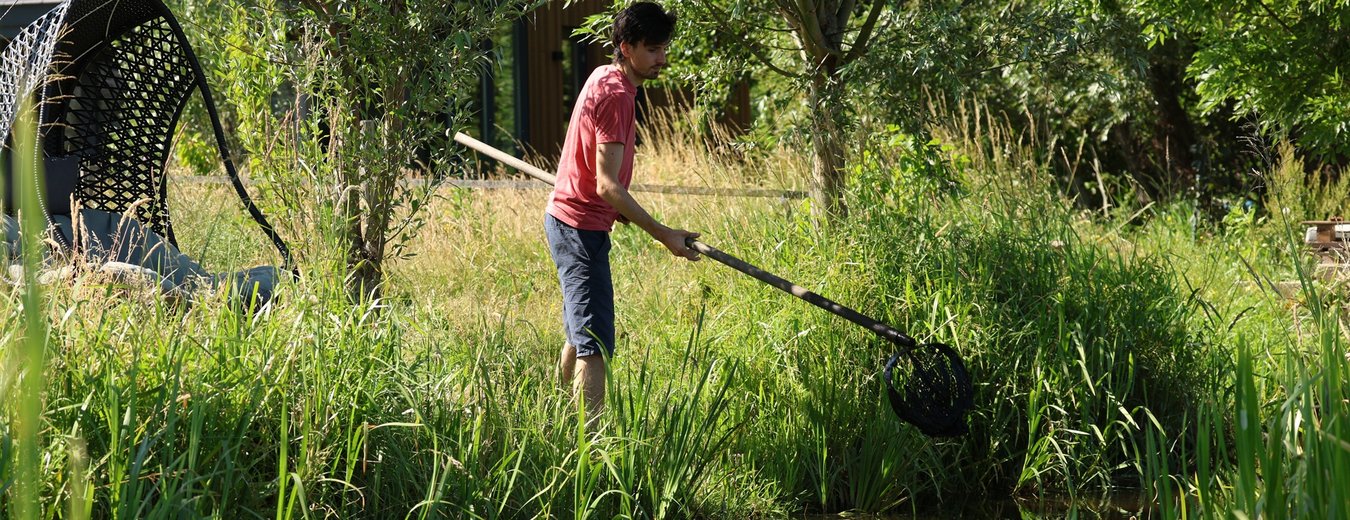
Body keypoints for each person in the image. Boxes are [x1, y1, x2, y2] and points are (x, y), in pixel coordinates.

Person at [545, 1, 700, 417]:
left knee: (580, 335)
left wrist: (620, 211)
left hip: (569, 220)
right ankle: (586, 450)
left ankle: (554, 422)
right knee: (594, 345)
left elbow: (599, 181)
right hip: (579, 228)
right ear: (626, 47)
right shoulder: (616, 94)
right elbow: (607, 185)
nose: (662, 59)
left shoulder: (603, 76)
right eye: (652, 49)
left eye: (664, 48)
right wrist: (665, 233)